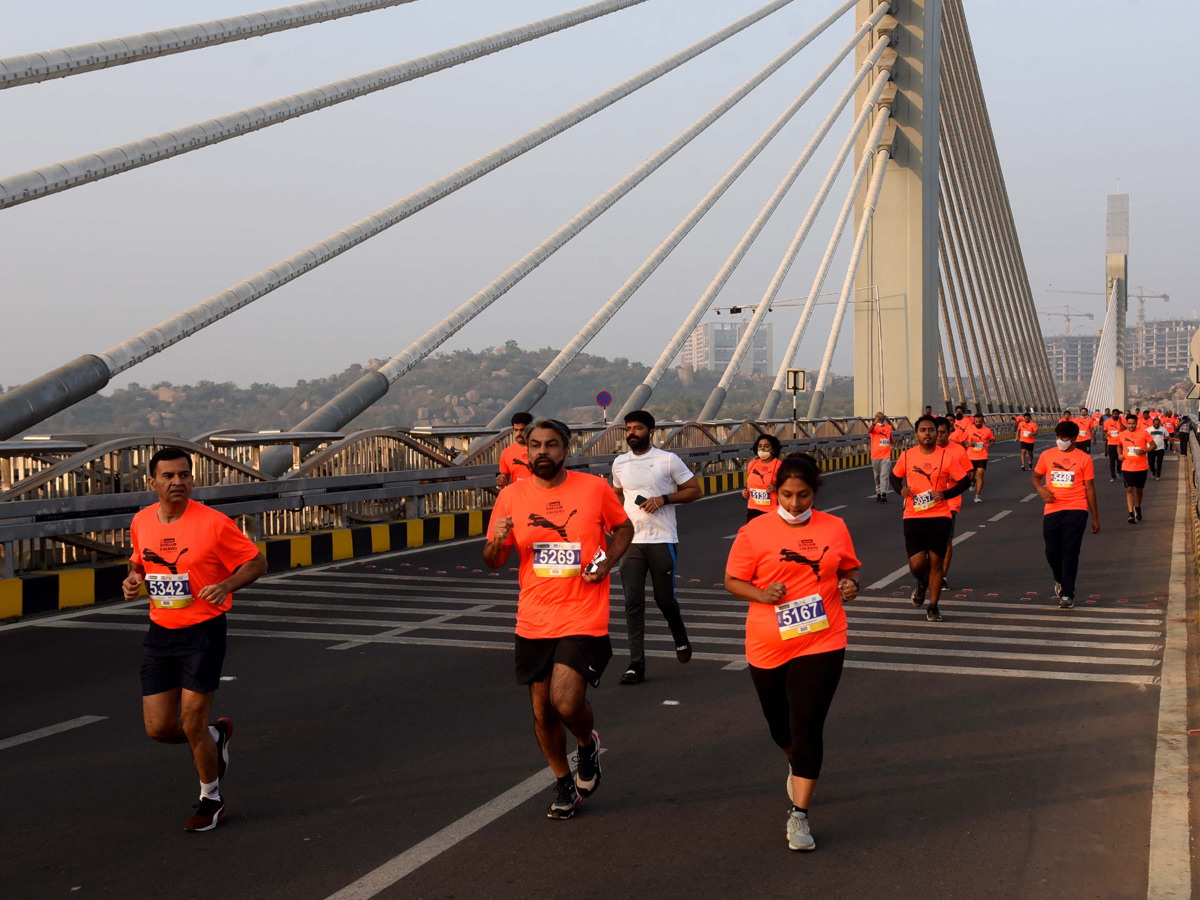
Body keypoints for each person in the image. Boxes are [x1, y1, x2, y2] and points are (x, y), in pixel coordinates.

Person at [484, 418, 634, 819]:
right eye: (535, 445)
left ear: (566, 449)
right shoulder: (511, 497)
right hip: (533, 616)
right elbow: (494, 560)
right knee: (542, 711)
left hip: (583, 613)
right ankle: (563, 782)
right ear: (526, 450)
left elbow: (623, 528)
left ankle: (586, 744)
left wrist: (604, 563)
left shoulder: (593, 488)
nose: (542, 452)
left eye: (551, 445)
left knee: (566, 701)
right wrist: (497, 541)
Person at [122, 447, 267, 832]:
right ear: (151, 482)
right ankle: (216, 736)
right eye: (168, 476)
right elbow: (138, 560)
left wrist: (226, 585)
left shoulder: (214, 523)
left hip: (203, 631)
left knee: (191, 721)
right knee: (159, 728)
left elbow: (256, 561)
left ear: (192, 479)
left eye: (184, 475)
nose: (178, 482)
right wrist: (133, 579)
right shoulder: (141, 521)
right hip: (161, 632)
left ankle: (211, 798)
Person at [723, 453, 860, 852]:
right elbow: (732, 579)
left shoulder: (835, 526)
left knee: (807, 723)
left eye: (803, 495)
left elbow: (848, 570)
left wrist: (851, 585)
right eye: (786, 495)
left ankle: (799, 814)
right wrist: (763, 594)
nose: (795, 503)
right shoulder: (755, 530)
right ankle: (795, 760)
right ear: (774, 493)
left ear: (815, 492)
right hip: (768, 641)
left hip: (823, 636)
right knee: (780, 726)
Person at [610, 410, 702, 685]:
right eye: (628, 428)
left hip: (662, 539)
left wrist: (663, 499)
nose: (631, 433)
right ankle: (636, 664)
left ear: (651, 432)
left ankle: (679, 635)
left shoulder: (667, 460)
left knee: (664, 600)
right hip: (631, 542)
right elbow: (616, 494)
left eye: (638, 428)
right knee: (632, 602)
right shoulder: (619, 463)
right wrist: (614, 520)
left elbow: (694, 490)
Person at [889, 415, 973, 621]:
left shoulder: (946, 457)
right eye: (923, 430)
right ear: (916, 434)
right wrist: (901, 490)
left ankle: (933, 605)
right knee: (917, 564)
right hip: (913, 516)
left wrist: (945, 494)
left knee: (936, 562)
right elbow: (894, 476)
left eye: (931, 430)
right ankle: (921, 582)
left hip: (940, 516)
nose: (927, 434)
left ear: (938, 433)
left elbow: (964, 481)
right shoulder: (907, 456)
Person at [1031, 421, 1100, 609]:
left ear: (1074, 439)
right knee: (1051, 552)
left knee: (1070, 551)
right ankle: (1059, 579)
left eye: (1065, 438)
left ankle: (1068, 594)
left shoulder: (1084, 459)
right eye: (1059, 438)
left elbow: (1090, 489)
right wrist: (1042, 491)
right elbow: (1036, 477)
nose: (1061, 441)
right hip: (1053, 509)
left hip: (1077, 509)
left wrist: (1095, 517)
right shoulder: (1047, 455)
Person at [935, 418, 969, 587]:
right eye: (936, 432)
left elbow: (967, 476)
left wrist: (951, 476)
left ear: (949, 433)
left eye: (942, 432)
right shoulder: (925, 451)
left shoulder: (958, 451)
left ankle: (941, 576)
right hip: (926, 504)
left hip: (950, 503)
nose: (938, 436)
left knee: (946, 540)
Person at [1116, 413, 1154, 524]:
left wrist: (1143, 451)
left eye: (1133, 424)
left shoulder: (1143, 433)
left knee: (1139, 490)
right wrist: (1119, 454)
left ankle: (1138, 507)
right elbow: (1118, 445)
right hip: (1127, 466)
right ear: (1126, 424)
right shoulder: (1122, 434)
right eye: (1129, 424)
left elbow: (1153, 445)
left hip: (1141, 467)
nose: (1131, 426)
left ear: (1136, 423)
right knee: (1129, 489)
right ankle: (1131, 514)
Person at [743, 433, 783, 521]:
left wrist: (776, 489)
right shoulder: (752, 464)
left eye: (766, 446)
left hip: (771, 511)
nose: (762, 449)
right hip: (752, 509)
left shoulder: (778, 465)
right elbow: (749, 484)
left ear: (773, 450)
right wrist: (746, 491)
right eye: (760, 446)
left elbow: (787, 488)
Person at [497, 412, 534, 488]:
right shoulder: (506, 452)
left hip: (537, 494)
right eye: (516, 430)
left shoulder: (539, 449)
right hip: (518, 495)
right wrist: (501, 481)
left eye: (522, 430)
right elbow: (505, 478)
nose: (518, 434)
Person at [964, 412, 995, 503]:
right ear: (974, 421)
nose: (978, 423)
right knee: (971, 476)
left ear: (982, 421)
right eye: (976, 421)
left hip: (982, 456)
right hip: (971, 456)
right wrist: (968, 444)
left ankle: (977, 495)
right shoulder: (969, 429)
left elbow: (992, 440)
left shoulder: (987, 430)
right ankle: (973, 482)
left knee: (980, 473)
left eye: (980, 421)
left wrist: (990, 445)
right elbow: (963, 440)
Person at [868, 411, 894, 502]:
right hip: (875, 455)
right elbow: (869, 430)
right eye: (878, 416)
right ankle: (878, 492)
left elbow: (890, 436)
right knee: (877, 476)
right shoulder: (874, 428)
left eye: (881, 416)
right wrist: (875, 422)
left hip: (886, 455)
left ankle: (884, 493)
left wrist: (888, 420)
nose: (880, 417)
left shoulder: (888, 427)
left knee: (884, 475)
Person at [1103, 409, 1123, 482]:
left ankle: (1119, 471)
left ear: (1118, 414)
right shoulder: (1107, 421)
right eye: (1114, 414)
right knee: (1112, 461)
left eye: (1116, 414)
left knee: (1120, 460)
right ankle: (1113, 476)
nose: (1115, 415)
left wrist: (1120, 422)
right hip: (1111, 443)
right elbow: (1105, 430)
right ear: (1112, 414)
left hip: (1120, 444)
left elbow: (1124, 429)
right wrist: (1106, 435)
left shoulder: (1122, 420)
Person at [1146, 416, 1168, 480]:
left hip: (1160, 449)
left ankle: (1158, 475)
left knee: (1159, 461)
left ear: (1160, 423)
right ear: (1153, 423)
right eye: (1155, 424)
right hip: (1151, 449)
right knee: (1150, 463)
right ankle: (1153, 470)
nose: (1156, 425)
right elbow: (1144, 438)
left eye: (1157, 424)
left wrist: (1174, 445)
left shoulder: (1163, 429)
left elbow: (1168, 437)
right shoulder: (1149, 430)